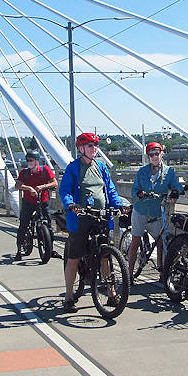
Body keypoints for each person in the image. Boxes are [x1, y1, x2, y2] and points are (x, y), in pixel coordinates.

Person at [59, 133, 127, 313]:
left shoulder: (101, 166)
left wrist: (117, 205)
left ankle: (111, 294)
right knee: (73, 258)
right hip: (81, 217)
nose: (94, 149)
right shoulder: (73, 168)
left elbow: (110, 188)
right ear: (81, 149)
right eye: (90, 146)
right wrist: (71, 205)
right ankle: (68, 296)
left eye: (96, 145)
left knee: (105, 255)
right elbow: (65, 190)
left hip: (101, 216)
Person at [127, 142, 184, 280]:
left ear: (162, 154)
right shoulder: (142, 171)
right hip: (141, 209)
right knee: (135, 241)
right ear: (148, 156)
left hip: (157, 212)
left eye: (157, 153)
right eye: (151, 154)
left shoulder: (169, 172)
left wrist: (176, 192)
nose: (154, 156)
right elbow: (134, 189)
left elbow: (177, 186)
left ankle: (161, 270)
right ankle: (128, 274)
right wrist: (139, 194)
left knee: (161, 241)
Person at [13, 150, 59, 261]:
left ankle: (50, 249)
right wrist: (28, 188)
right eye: (27, 160)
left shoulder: (44, 170)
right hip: (28, 201)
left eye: (31, 160)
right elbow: (17, 185)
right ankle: (19, 250)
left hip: (42, 201)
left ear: (37, 161)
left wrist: (42, 186)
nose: (29, 162)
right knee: (23, 224)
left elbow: (55, 183)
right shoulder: (24, 172)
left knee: (48, 224)